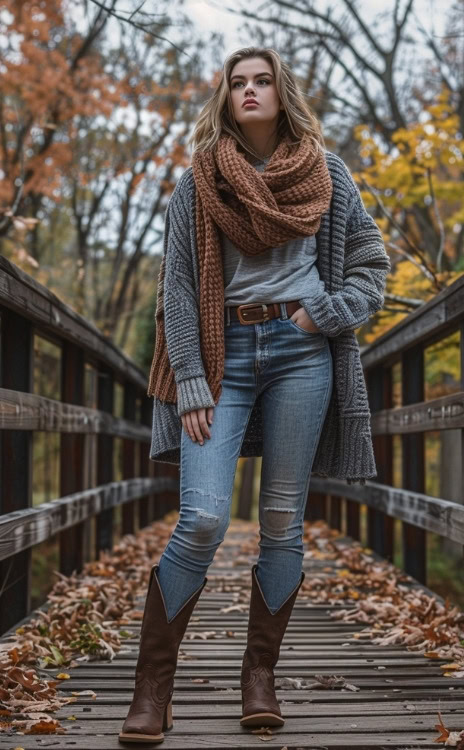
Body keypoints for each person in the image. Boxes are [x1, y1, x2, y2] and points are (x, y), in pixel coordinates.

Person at [119, 46, 391, 744]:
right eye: (237, 82)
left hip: (303, 355)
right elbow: (176, 288)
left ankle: (258, 677)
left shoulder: (328, 176)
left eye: (261, 80)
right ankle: (153, 687)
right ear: (225, 97)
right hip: (222, 357)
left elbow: (369, 264)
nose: (249, 90)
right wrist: (188, 378)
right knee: (203, 519)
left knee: (279, 519)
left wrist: (324, 315)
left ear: (281, 91)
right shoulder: (200, 182)